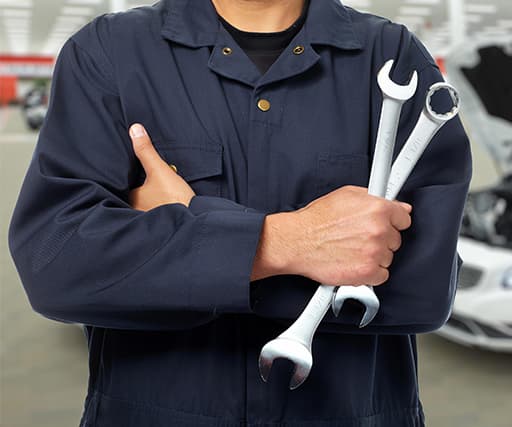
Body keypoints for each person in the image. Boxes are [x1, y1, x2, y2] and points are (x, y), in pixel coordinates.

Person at [8, 0, 472, 425]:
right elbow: (57, 263)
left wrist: (186, 238)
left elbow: (425, 289)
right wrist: (287, 243)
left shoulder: (390, 54)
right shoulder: (108, 53)